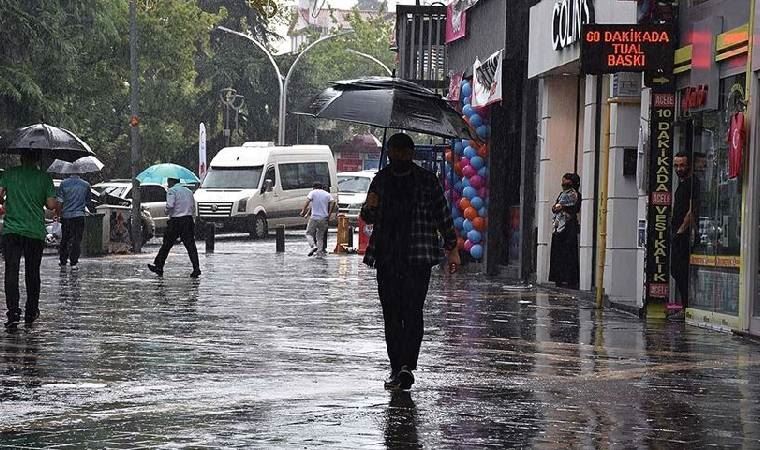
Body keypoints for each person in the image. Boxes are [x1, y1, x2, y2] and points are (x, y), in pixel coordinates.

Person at [360, 133, 460, 391]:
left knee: (413, 311)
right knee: (391, 314)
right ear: (390, 153)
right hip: (386, 256)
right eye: (394, 152)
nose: (398, 157)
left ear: (411, 154)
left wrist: (452, 248)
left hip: (417, 258)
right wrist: (370, 207)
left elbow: (443, 215)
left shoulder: (427, 181)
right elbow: (367, 217)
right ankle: (396, 366)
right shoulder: (381, 181)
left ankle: (407, 366)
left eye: (403, 152)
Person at [0, 151, 58, 328]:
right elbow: (50, 205)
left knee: (11, 271)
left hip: (11, 230)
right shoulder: (44, 178)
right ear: (38, 159)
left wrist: (7, 202)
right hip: (34, 232)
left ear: (21, 157)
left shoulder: (9, 174)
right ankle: (31, 312)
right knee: (33, 272)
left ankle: (13, 312)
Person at [148, 178, 201, 278]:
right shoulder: (189, 191)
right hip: (188, 220)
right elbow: (193, 207)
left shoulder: (172, 191)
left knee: (167, 245)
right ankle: (196, 268)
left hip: (176, 221)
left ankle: (159, 266)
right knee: (191, 246)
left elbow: (170, 205)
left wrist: (166, 211)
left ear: (171, 182)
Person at [671, 152, 697, 316]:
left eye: (682, 165)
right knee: (676, 270)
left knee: (680, 270)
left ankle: (687, 306)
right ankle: (684, 305)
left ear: (688, 166)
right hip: (678, 231)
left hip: (684, 233)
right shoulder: (681, 184)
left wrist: (681, 230)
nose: (679, 168)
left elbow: (692, 209)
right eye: (676, 165)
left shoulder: (692, 183)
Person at [548, 173, 581, 289]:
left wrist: (563, 208)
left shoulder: (576, 195)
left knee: (568, 253)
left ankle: (570, 279)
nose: (563, 185)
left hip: (568, 227)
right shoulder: (562, 194)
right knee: (557, 253)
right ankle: (558, 278)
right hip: (559, 227)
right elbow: (555, 207)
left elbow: (574, 208)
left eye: (566, 183)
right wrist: (556, 208)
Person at [57, 172, 91, 269]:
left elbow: (60, 201)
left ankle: (63, 260)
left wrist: (58, 214)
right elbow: (88, 200)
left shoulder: (64, 184)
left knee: (65, 238)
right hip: (79, 216)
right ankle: (74, 262)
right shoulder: (86, 185)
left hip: (66, 216)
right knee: (77, 239)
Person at [300, 181, 335, 258]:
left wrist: (303, 211)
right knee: (320, 236)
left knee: (308, 233)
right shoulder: (327, 194)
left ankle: (313, 246)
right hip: (324, 218)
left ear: (314, 187)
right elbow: (333, 202)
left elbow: (307, 201)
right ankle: (319, 252)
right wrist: (329, 214)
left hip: (314, 217)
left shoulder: (312, 193)